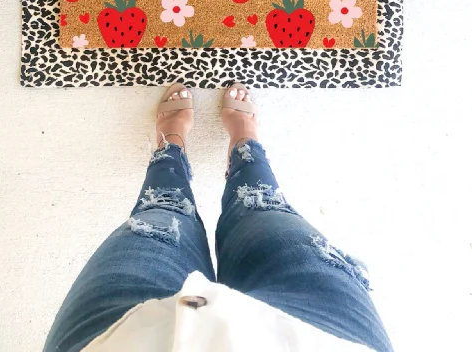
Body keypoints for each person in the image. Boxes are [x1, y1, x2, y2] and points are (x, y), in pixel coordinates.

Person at [44, 84, 393, 352]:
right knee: (262, 208)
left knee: (163, 213)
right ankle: (245, 144)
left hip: (124, 337)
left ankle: (172, 148)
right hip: (318, 337)